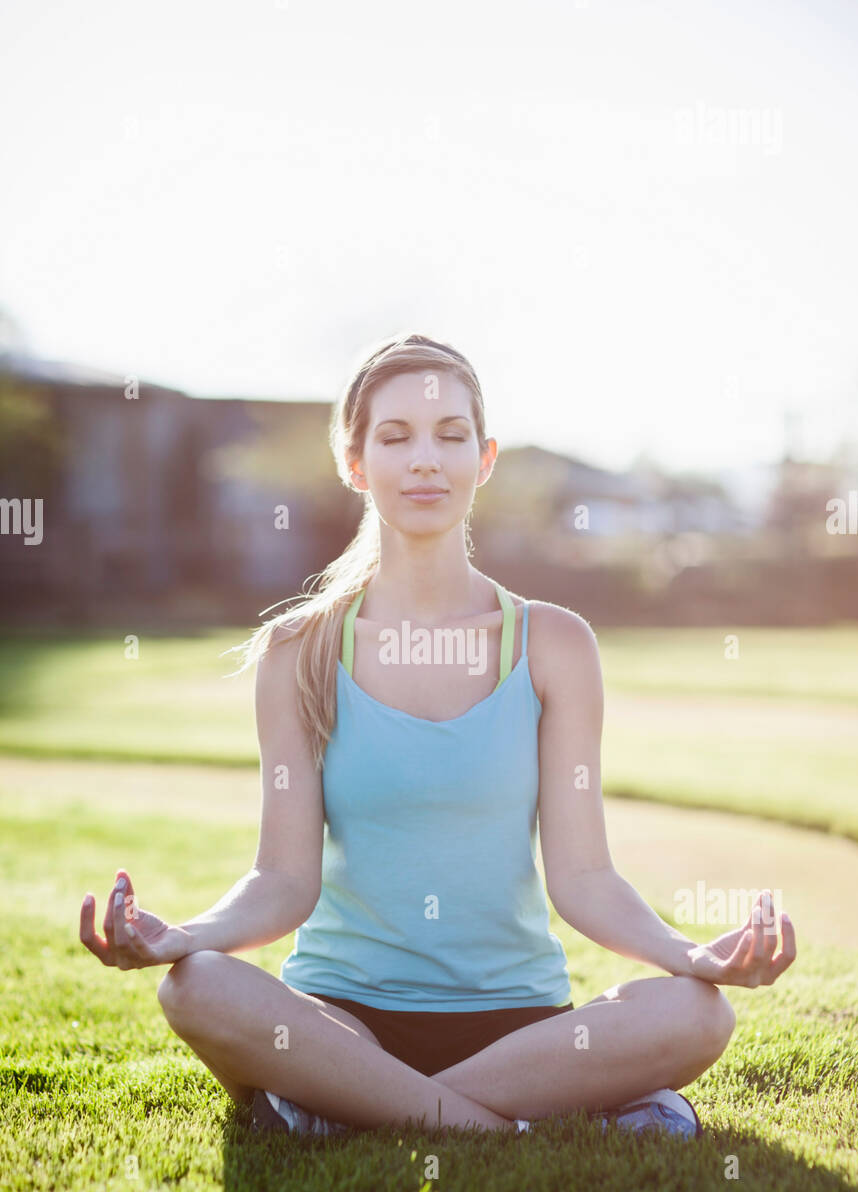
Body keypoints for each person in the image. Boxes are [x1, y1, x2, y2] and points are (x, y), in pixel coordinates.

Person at [79, 331, 796, 1141]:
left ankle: (347, 1104)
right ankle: (513, 1121)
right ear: (355, 461)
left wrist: (688, 954)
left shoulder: (555, 644)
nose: (426, 459)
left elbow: (585, 877)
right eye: (396, 437)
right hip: (341, 1017)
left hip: (519, 1025)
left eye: (451, 435)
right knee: (197, 987)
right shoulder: (297, 652)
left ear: (484, 458)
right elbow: (282, 881)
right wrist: (185, 936)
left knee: (696, 1015)